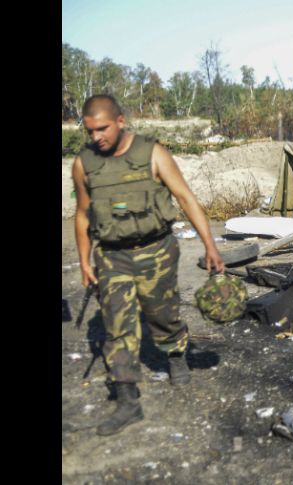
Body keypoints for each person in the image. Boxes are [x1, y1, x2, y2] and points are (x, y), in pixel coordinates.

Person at [72, 94, 225, 436]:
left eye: (103, 129)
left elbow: (186, 198)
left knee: (162, 313)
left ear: (121, 121)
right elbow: (82, 215)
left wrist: (210, 245)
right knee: (117, 327)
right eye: (90, 131)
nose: (97, 137)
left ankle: (174, 352)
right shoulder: (84, 163)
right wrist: (84, 260)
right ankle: (128, 400)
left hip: (156, 250)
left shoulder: (153, 153)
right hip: (111, 256)